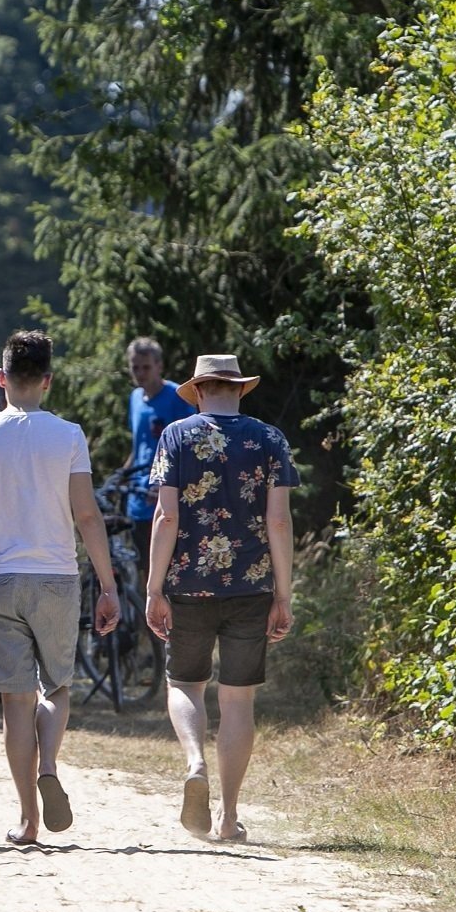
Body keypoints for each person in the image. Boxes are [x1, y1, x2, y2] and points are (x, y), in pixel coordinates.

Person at [0, 330, 120, 847]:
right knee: (58, 687)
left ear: (2, 378)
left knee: (15, 704)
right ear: (47, 380)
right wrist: (109, 587)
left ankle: (27, 820)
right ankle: (48, 763)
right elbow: (87, 515)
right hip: (57, 578)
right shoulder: (68, 435)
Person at [143, 354, 299, 843]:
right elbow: (278, 521)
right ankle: (229, 817)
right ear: (237, 388)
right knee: (238, 701)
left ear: (200, 388)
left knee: (185, 684)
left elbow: (166, 518)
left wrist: (153, 587)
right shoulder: (270, 439)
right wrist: (283, 593)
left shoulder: (176, 436)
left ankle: (195, 763)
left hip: (188, 584)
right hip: (252, 588)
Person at [118, 336, 195, 582]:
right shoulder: (135, 399)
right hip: (138, 498)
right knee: (142, 569)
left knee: (165, 569)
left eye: (146, 367)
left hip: (165, 498)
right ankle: (142, 618)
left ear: (159, 366)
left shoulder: (177, 397)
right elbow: (138, 445)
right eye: (135, 367)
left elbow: (189, 449)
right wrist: (122, 474)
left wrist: (167, 485)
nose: (140, 373)